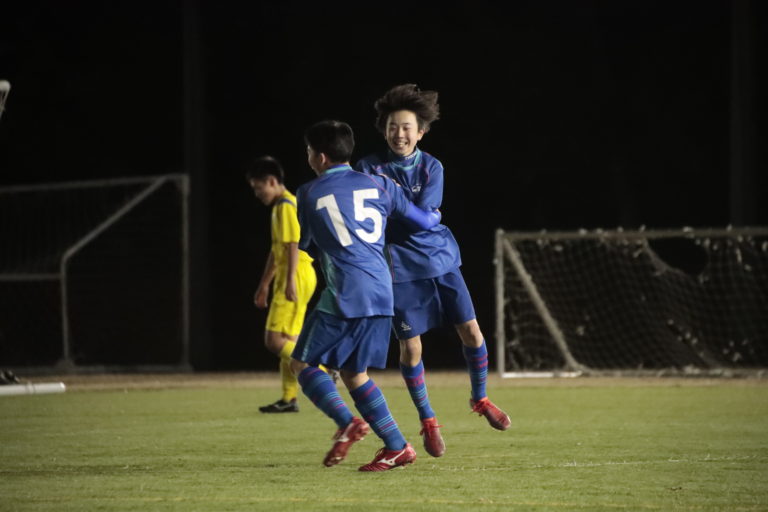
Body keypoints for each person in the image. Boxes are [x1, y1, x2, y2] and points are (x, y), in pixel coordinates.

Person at [354, 84, 511, 458]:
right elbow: (381, 218)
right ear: (384, 130)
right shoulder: (367, 168)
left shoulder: (432, 167)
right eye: (392, 126)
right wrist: (413, 214)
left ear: (421, 131)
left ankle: (480, 398)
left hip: (440, 260)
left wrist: (400, 205)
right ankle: (428, 420)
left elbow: (421, 219)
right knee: (411, 348)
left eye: (406, 127)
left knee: (471, 331)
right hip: (398, 268)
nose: (399, 134)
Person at [290, 120, 442, 471]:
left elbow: (307, 243)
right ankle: (397, 447)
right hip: (383, 292)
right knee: (354, 373)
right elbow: (421, 220)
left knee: (302, 364)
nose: (309, 157)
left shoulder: (308, 192)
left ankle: (347, 422)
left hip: (347, 291)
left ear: (321, 157)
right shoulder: (379, 183)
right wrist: (435, 218)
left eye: (309, 151)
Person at [246, 156, 317, 413]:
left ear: (272, 181)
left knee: (274, 341)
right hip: (297, 274)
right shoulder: (280, 206)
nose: (257, 194)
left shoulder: (286, 205)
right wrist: (264, 285)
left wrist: (288, 283)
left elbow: (293, 245)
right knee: (289, 340)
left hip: (295, 275)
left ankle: (320, 368)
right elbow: (277, 251)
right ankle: (289, 398)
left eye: (259, 188)